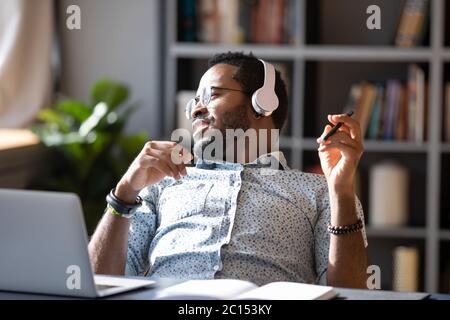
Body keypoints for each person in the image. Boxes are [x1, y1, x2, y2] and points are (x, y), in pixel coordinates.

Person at [88, 52, 368, 288]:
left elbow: (350, 293)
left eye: (211, 95)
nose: (196, 110)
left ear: (263, 103)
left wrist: (342, 191)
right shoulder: (163, 184)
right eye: (194, 101)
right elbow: (99, 283)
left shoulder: (320, 191)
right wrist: (124, 193)